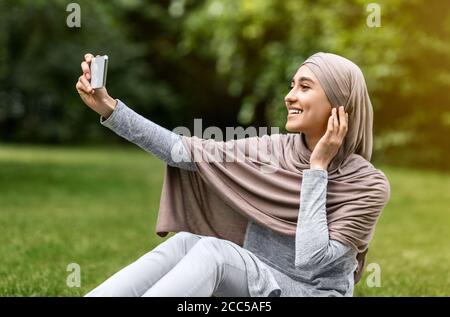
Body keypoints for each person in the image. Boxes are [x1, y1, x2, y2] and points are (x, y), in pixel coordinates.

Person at [76, 52, 390, 297]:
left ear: (340, 106)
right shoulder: (274, 150)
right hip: (256, 282)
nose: (290, 96)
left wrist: (317, 168)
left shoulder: (367, 184)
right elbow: (185, 152)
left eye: (305, 87)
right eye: (292, 85)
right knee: (187, 241)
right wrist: (109, 108)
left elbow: (311, 258)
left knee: (216, 253)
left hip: (308, 292)